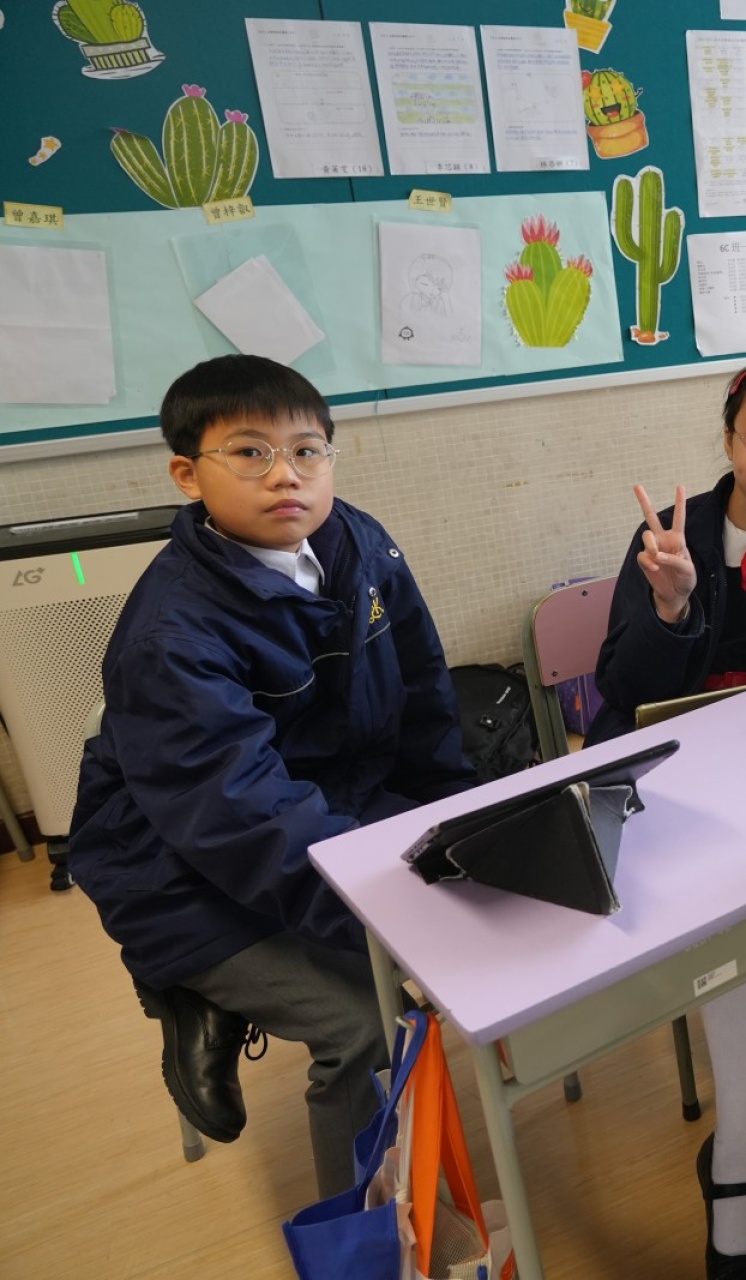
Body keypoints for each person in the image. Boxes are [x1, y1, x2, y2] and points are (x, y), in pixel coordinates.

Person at [66, 354, 472, 1197]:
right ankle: (367, 1235)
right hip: (176, 870)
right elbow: (240, 816)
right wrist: (385, 916)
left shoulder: (357, 540)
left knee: (486, 919)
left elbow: (424, 694)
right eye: (250, 452)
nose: (287, 475)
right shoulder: (171, 633)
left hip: (331, 815)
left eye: (307, 450)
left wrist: (465, 833)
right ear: (188, 475)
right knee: (367, 1022)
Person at [586, 358, 746, 1280]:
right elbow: (620, 689)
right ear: (727, 439)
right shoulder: (668, 538)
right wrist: (673, 602)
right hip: (671, 780)